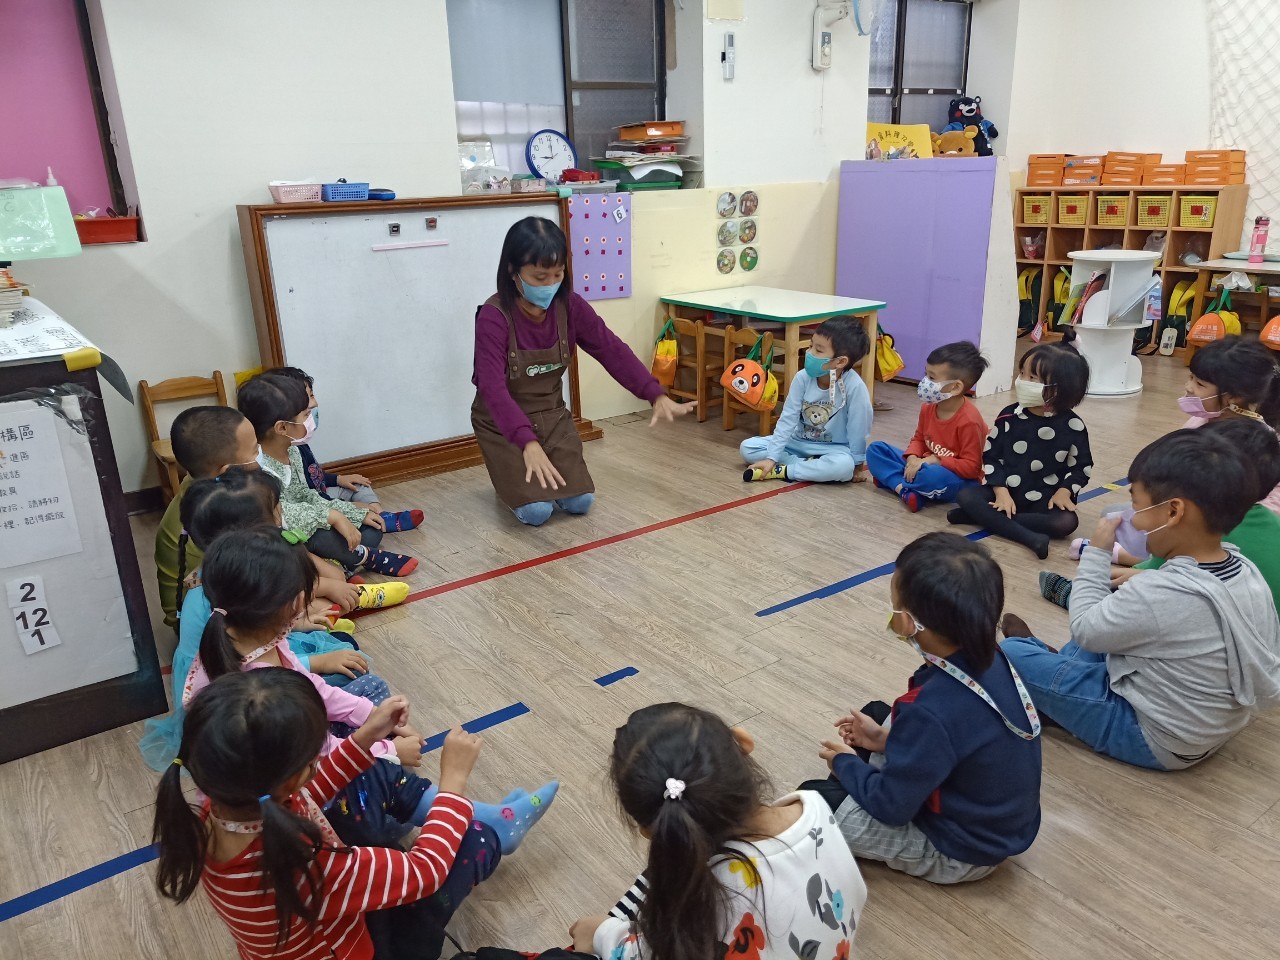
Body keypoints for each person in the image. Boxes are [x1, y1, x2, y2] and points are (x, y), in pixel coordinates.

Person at [183, 526, 558, 853]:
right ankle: (485, 821)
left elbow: (316, 691)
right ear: (288, 604)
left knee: (371, 689)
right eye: (305, 592)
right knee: (381, 777)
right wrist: (388, 750)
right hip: (296, 805)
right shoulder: (258, 686)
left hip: (291, 769)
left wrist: (374, 719)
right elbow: (317, 757)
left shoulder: (251, 640)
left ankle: (440, 804)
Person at [153, 669, 497, 960]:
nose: (317, 762)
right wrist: (453, 782)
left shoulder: (216, 811)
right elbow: (426, 871)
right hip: (348, 948)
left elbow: (305, 797)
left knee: (383, 848)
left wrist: (364, 739)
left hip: (315, 930)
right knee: (478, 839)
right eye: (313, 757)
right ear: (290, 779)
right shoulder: (308, 865)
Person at [1002, 429, 1280, 770]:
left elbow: (1084, 629)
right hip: (1208, 727)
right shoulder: (1244, 568)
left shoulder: (1161, 592)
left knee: (1012, 653)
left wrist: (1097, 553)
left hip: (1154, 737)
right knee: (1111, 625)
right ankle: (1052, 683)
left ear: (1173, 512)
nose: (1132, 519)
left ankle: (1043, 682)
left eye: (1137, 506)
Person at [804, 533, 1041, 883]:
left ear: (910, 623)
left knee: (811, 802)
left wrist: (845, 764)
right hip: (996, 822)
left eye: (895, 608)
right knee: (877, 713)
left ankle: (851, 787)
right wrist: (885, 741)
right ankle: (862, 777)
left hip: (962, 849)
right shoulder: (992, 656)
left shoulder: (929, 711)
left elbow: (893, 808)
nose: (893, 616)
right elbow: (960, 736)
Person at [569, 703, 866, 960]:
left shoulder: (705, 888)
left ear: (649, 830)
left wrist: (602, 933)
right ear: (743, 742)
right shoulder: (814, 806)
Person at [138, 470, 375, 772]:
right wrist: (320, 662)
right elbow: (256, 670)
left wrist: (299, 623)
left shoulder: (227, 580)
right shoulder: (227, 598)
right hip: (241, 690)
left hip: (251, 664)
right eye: (276, 508)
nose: (282, 514)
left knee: (344, 650)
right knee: (348, 671)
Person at [472, 217, 693, 527]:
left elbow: (610, 349)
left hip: (551, 416)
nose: (550, 285)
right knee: (537, 512)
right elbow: (492, 389)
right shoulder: (493, 317)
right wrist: (527, 443)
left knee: (580, 502)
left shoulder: (570, 306)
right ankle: (509, 482)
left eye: (558, 274)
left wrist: (654, 393)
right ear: (513, 271)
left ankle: (526, 481)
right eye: (539, 277)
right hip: (502, 423)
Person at [1041, 418, 1280, 611]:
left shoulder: (1203, 531)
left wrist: (1098, 561)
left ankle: (1074, 595)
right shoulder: (1262, 522)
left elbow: (1089, 630)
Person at [239, 373, 418, 576]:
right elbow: (281, 515)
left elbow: (307, 495)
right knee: (320, 538)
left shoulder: (293, 451)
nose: (311, 418)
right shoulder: (257, 468)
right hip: (281, 539)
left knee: (370, 531)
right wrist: (331, 516)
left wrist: (351, 513)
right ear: (282, 427)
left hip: (311, 521)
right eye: (306, 414)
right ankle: (365, 558)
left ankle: (337, 565)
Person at [948, 344, 1093, 559]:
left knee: (1066, 522)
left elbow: (1081, 467)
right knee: (966, 495)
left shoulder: (1074, 426)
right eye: (1022, 373)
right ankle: (1029, 537)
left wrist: (1064, 491)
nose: (1022, 381)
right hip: (1006, 490)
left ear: (1059, 388)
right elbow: (991, 456)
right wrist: (1001, 492)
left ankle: (981, 517)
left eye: (1032, 377)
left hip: (1045, 497)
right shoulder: (1009, 416)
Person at [268, 365, 425, 532]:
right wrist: (349, 508)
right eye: (309, 398)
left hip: (322, 495)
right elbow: (303, 498)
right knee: (364, 530)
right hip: (317, 504)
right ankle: (376, 522)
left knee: (359, 486)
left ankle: (381, 515)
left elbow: (316, 475)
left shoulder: (298, 445)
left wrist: (339, 479)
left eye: (312, 395)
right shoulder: (280, 456)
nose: (315, 404)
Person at [154, 406, 260, 629]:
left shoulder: (201, 483)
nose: (259, 457)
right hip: (204, 625)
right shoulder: (212, 517)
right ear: (226, 470)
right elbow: (254, 577)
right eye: (254, 451)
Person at [739, 316, 873, 483]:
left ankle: (786, 471)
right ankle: (810, 467)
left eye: (818, 350)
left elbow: (859, 427)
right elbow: (788, 418)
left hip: (834, 448)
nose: (809, 353)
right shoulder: (802, 378)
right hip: (797, 442)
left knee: (844, 466)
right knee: (748, 448)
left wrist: (857, 463)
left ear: (840, 362)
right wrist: (772, 457)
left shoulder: (855, 386)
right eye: (810, 346)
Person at [866, 341, 990, 510]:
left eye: (932, 378)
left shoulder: (969, 421)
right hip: (922, 464)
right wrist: (912, 457)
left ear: (955, 387)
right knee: (876, 450)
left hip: (956, 477)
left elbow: (971, 468)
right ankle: (906, 489)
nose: (925, 381)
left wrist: (934, 460)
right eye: (926, 374)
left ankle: (895, 482)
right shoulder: (928, 407)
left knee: (930, 476)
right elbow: (919, 439)